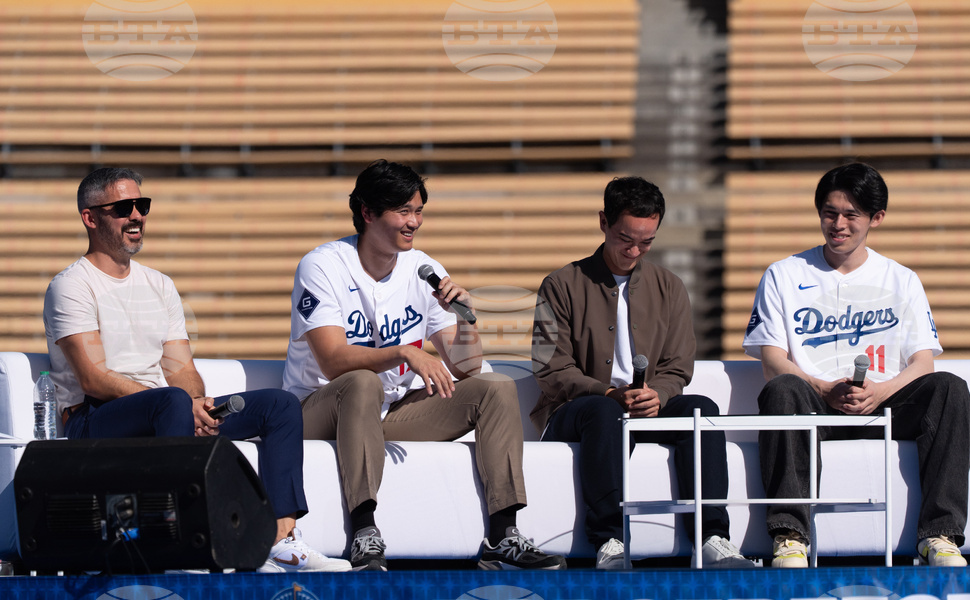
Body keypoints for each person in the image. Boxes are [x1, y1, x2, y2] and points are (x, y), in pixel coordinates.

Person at [43, 167, 349, 574]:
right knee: (170, 401)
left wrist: (197, 406)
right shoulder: (71, 285)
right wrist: (177, 405)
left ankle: (279, 541)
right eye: (123, 208)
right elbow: (93, 378)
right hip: (93, 417)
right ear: (90, 217)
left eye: (142, 205)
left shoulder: (160, 284)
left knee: (279, 406)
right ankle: (179, 540)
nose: (136, 216)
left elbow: (181, 368)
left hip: (163, 411)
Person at [282, 159, 566, 572]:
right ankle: (364, 533)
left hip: (388, 413)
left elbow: (468, 368)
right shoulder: (323, 264)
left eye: (418, 211)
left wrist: (466, 319)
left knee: (496, 388)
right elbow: (332, 360)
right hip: (318, 409)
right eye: (403, 211)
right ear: (367, 213)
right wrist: (404, 352)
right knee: (362, 382)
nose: (414, 222)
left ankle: (503, 537)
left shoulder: (423, 268)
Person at [743, 162, 970, 568]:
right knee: (782, 388)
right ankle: (790, 537)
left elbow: (923, 362)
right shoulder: (783, 274)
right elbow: (772, 360)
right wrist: (822, 388)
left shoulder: (901, 279)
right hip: (814, 403)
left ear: (876, 218)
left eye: (851, 215)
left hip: (885, 404)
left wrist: (881, 392)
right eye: (830, 213)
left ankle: (940, 535)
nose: (838, 224)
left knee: (950, 388)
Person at [531, 176, 754, 570]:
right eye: (625, 239)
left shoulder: (669, 286)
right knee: (605, 412)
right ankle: (610, 540)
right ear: (603, 222)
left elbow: (678, 365)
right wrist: (607, 393)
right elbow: (551, 369)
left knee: (701, 408)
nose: (634, 250)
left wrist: (659, 395)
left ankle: (713, 537)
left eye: (646, 242)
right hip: (581, 410)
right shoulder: (561, 285)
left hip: (646, 408)